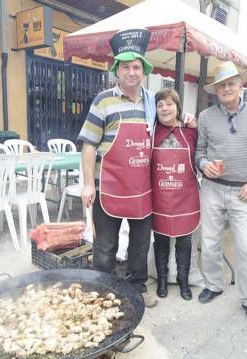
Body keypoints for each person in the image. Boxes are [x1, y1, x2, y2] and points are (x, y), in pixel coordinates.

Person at [78, 28, 157, 306]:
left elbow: (170, 123)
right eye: (126, 67)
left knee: (139, 245)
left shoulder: (153, 103)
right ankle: (103, 291)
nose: (132, 72)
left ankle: (137, 288)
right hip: (107, 186)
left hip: (141, 188)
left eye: (137, 67)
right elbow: (88, 145)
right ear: (117, 70)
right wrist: (88, 184)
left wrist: (186, 117)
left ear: (144, 71)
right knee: (105, 246)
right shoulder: (103, 100)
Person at [195, 61, 247, 324]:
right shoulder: (205, 117)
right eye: (221, 85)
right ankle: (213, 284)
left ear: (241, 86)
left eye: (230, 84)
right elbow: (199, 152)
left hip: (244, 190)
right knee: (210, 242)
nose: (226, 88)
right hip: (213, 188)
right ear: (216, 90)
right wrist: (204, 166)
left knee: (246, 247)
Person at [151, 88, 200, 301]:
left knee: (184, 241)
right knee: (160, 239)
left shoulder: (190, 131)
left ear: (178, 107)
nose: (164, 108)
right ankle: (162, 279)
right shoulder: (151, 132)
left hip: (185, 196)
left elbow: (203, 154)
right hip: (160, 195)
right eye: (160, 104)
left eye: (169, 104)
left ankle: (183, 280)